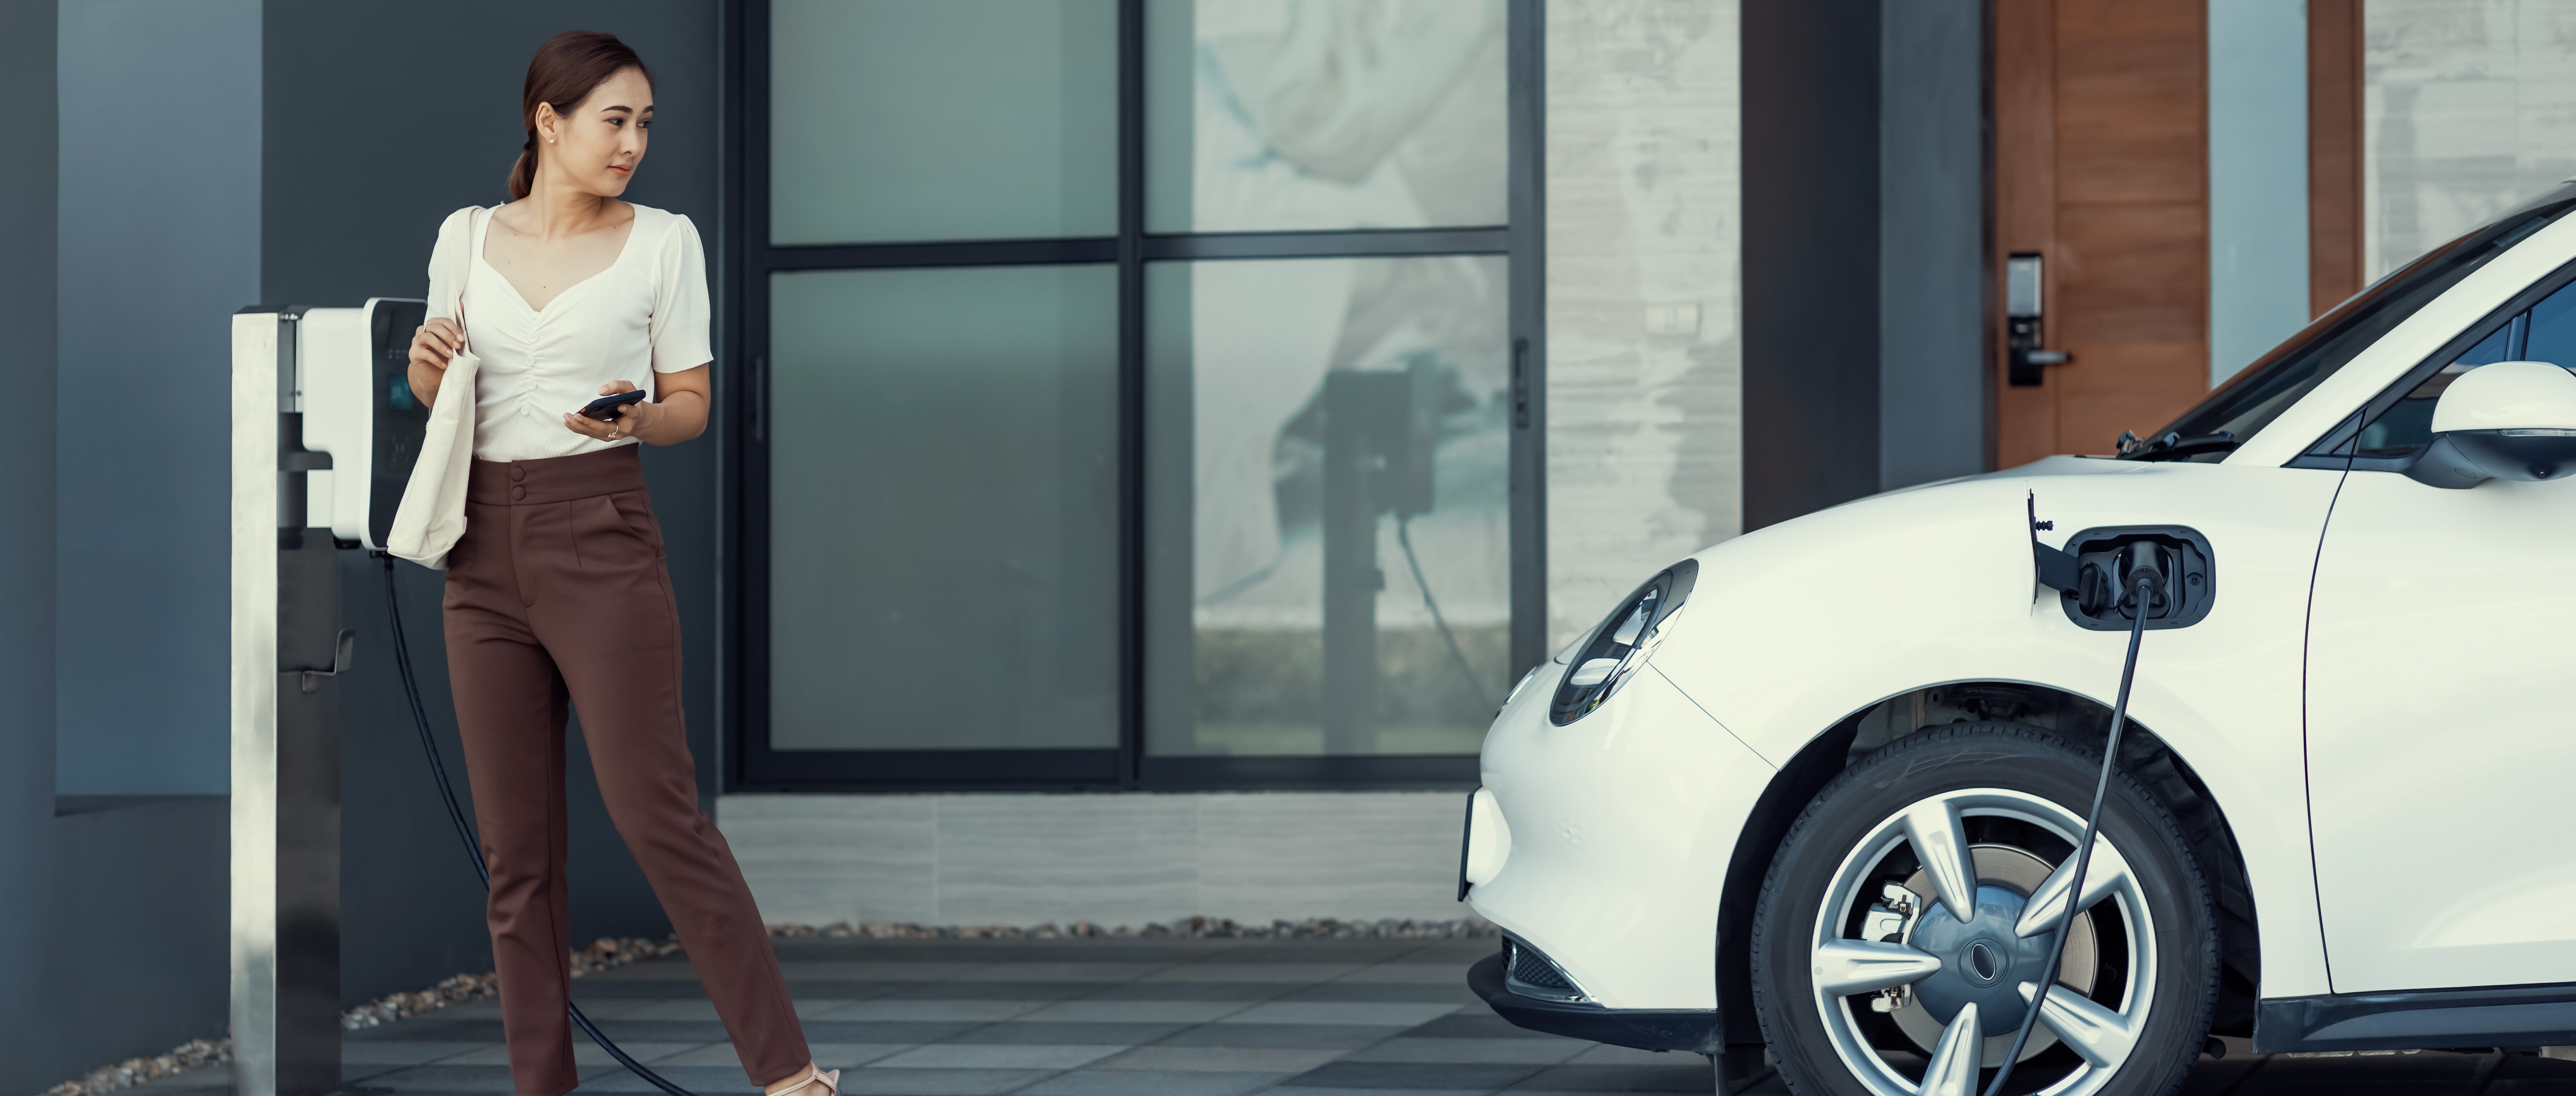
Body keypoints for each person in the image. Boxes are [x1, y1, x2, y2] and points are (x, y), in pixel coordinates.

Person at [403, 30, 834, 1096]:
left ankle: (787, 1073)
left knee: (659, 813)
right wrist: (421, 368)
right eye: (616, 120)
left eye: (646, 123)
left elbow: (692, 402)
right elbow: (444, 394)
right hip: (480, 550)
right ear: (547, 122)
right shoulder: (463, 239)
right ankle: (541, 1086)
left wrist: (640, 418)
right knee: (517, 857)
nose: (635, 142)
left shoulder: (663, 244)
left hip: (600, 531)